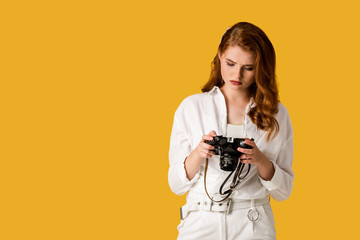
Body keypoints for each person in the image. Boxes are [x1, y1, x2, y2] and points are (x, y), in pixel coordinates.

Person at [168, 22, 294, 240]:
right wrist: (199, 153)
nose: (237, 74)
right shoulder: (192, 107)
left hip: (253, 224)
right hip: (200, 222)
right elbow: (175, 184)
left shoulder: (276, 114)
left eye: (248, 67)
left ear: (261, 68)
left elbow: (283, 191)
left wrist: (260, 160)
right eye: (230, 63)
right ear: (219, 56)